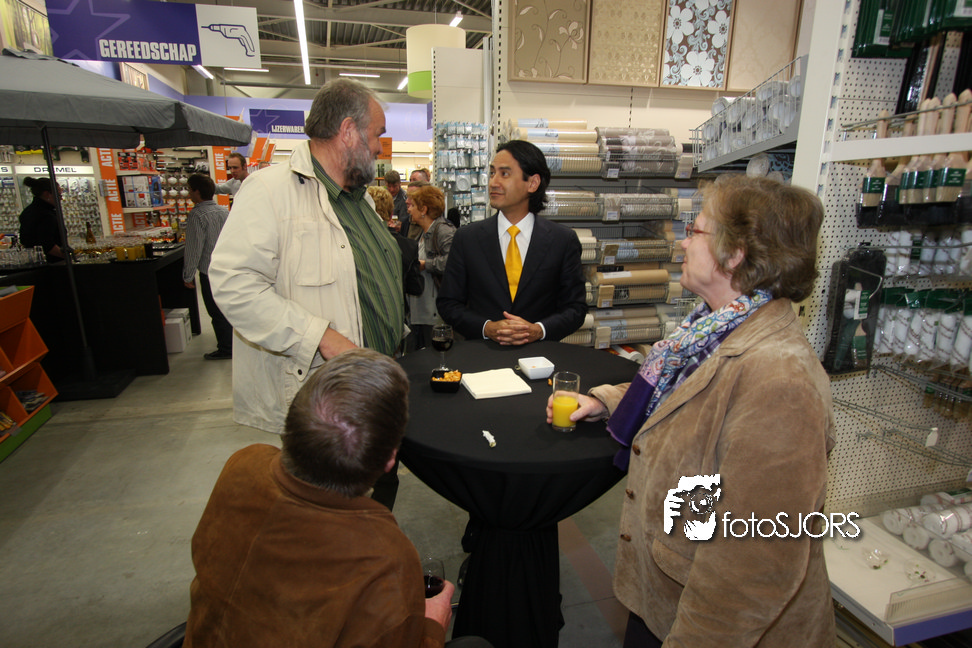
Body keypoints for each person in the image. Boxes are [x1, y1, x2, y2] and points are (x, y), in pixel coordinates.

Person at [547, 175, 836, 647]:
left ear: (735, 253)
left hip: (707, 624)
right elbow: (686, 398)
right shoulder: (712, 328)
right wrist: (608, 402)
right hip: (665, 598)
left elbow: (752, 564)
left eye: (695, 230)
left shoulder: (780, 379)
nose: (683, 241)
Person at [183, 348, 491, 648]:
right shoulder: (383, 554)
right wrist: (432, 626)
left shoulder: (243, 464)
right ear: (390, 459)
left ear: (293, 424)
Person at [209, 78, 405, 509]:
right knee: (326, 514)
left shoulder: (359, 200)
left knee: (375, 500)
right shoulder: (270, 191)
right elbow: (233, 283)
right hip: (324, 400)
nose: (379, 147)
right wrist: (321, 337)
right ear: (349, 131)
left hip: (374, 388)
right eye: (376, 135)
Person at [436, 140, 586, 345]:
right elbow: (448, 303)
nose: (493, 182)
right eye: (492, 173)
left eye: (504, 174)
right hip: (482, 354)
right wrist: (486, 327)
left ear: (532, 183)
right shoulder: (467, 238)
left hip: (540, 356)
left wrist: (538, 330)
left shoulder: (562, 241)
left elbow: (576, 308)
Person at [182, 173, 233, 360]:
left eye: (189, 189)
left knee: (215, 310)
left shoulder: (197, 215)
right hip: (229, 268)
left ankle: (226, 348)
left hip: (209, 271)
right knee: (229, 308)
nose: (188, 193)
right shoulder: (224, 212)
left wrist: (188, 275)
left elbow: (194, 248)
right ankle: (234, 344)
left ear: (197, 192)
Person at [405, 185, 455, 351]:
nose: (409, 209)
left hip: (433, 311)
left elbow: (453, 262)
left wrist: (425, 264)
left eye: (413, 205)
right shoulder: (423, 232)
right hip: (421, 310)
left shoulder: (443, 230)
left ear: (424, 209)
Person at [369, 184, 423, 301]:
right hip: (397, 305)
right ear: (391, 213)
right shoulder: (408, 246)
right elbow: (416, 287)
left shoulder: (356, 242)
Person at [18, 177, 64, 263]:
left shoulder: (28, 211)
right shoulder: (46, 214)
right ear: (47, 194)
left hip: (33, 262)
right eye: (59, 195)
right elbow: (47, 245)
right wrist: (69, 257)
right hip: (52, 264)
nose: (61, 199)